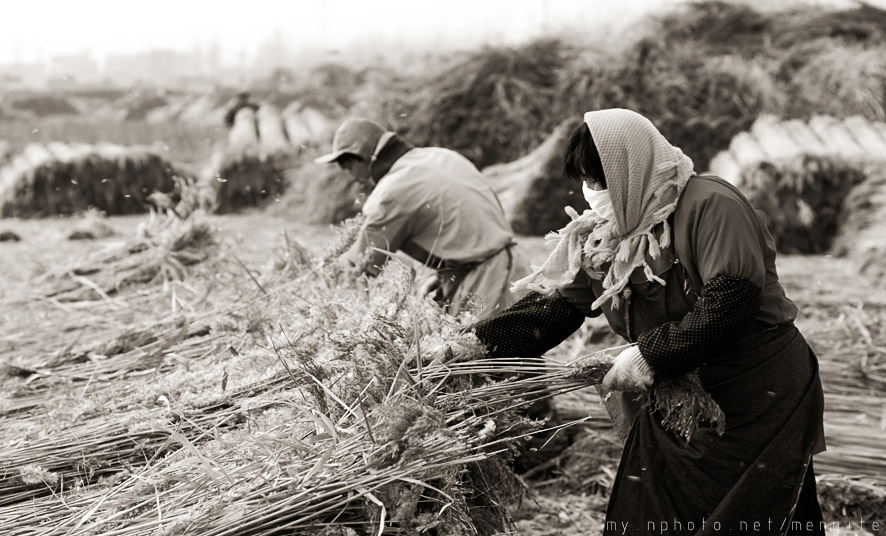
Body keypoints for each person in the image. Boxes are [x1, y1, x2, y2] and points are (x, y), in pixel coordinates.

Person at [470, 108, 827, 534]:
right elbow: (556, 309)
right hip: (679, 392)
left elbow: (730, 302)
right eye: (586, 182)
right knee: (647, 510)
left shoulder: (711, 205)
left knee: (754, 512)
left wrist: (647, 357)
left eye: (600, 181)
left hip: (755, 391)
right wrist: (474, 345)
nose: (592, 193)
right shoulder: (609, 233)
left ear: (632, 170)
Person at [315, 117, 529, 320]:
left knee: (489, 356)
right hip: (518, 269)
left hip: (485, 286)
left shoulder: (391, 191)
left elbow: (358, 266)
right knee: (525, 355)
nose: (350, 176)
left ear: (364, 156)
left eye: (348, 166)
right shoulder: (442, 156)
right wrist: (443, 272)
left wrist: (316, 285)